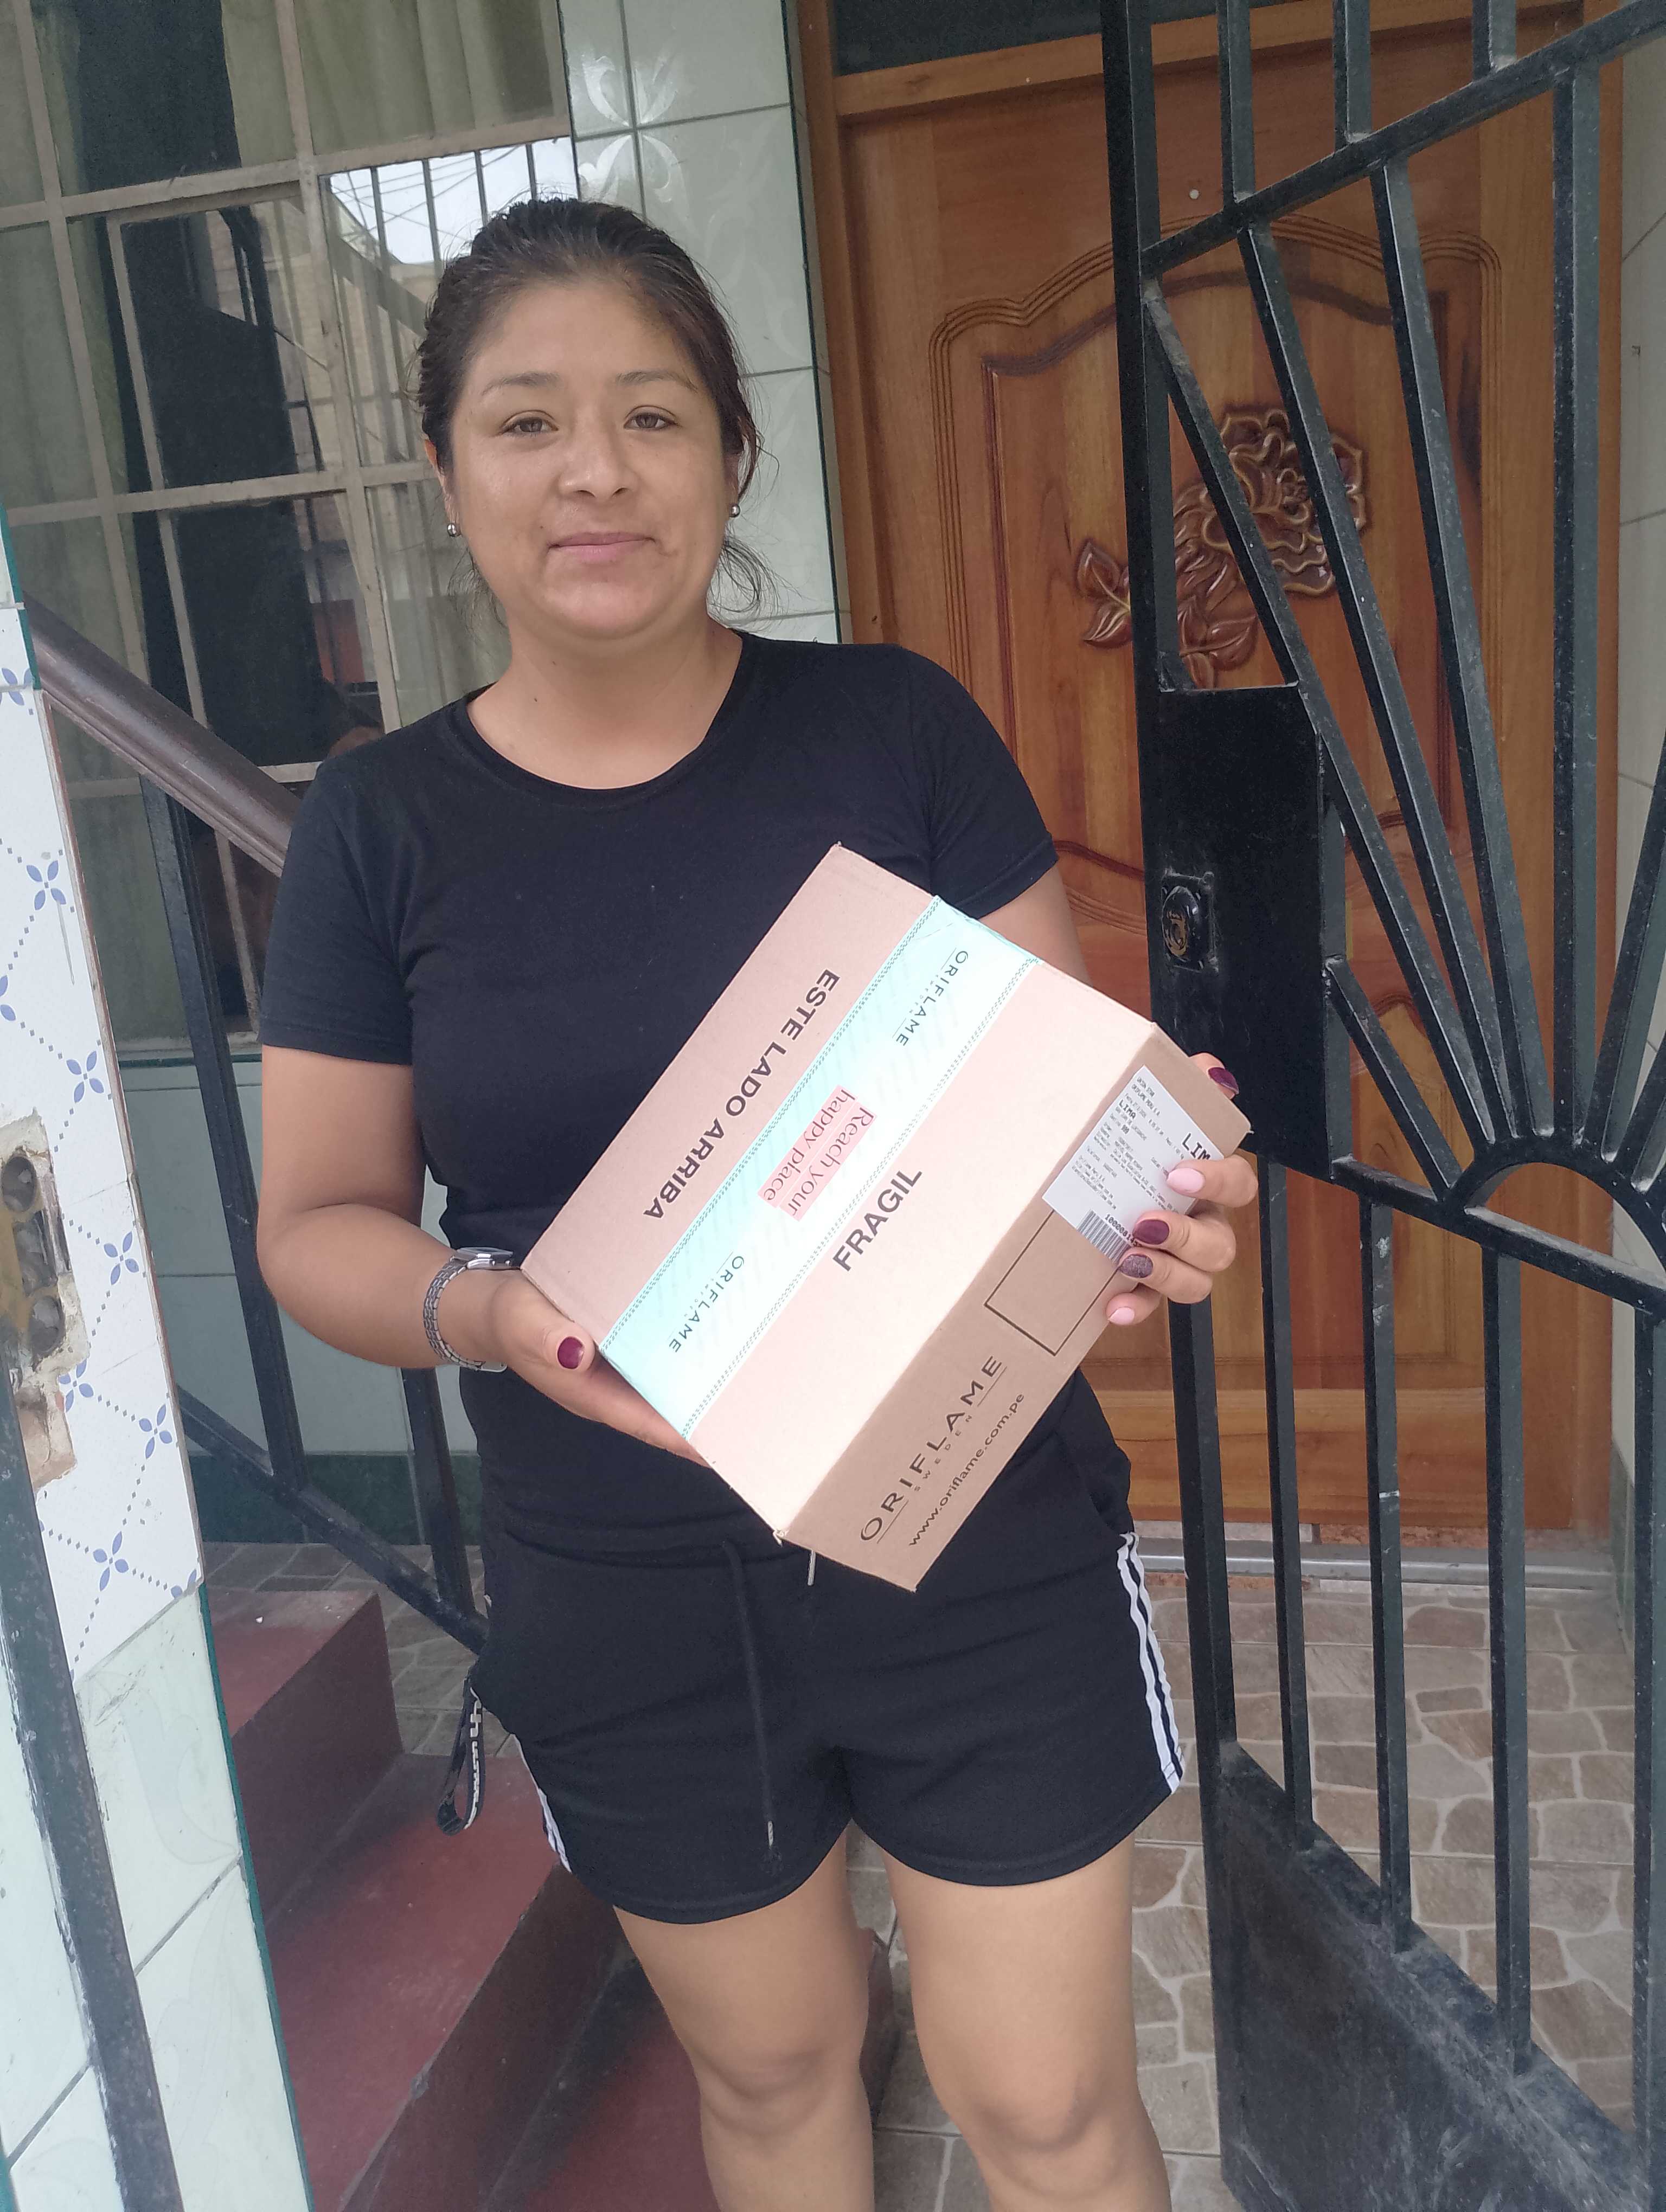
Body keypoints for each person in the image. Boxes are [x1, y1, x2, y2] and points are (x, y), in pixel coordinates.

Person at [254, 195, 1256, 2212]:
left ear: (731, 454)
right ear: (445, 474)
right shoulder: (376, 827)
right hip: (617, 1580)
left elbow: (1054, 1114)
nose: (594, 471)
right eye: (527, 421)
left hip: (969, 1536)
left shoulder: (895, 729)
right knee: (779, 2079)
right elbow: (318, 1227)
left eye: (651, 414)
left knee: (1049, 2113)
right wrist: (491, 1309)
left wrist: (1155, 1203)